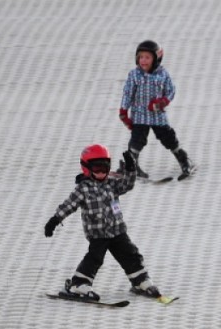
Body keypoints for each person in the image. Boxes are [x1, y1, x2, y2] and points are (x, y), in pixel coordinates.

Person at [44, 144, 163, 301]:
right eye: (97, 169)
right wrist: (55, 220)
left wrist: (130, 168)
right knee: (94, 259)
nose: (101, 173)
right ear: (87, 168)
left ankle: (141, 281)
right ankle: (78, 285)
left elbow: (127, 184)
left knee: (131, 254)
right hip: (98, 233)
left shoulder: (112, 183)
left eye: (105, 168)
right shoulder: (83, 189)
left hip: (117, 230)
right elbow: (69, 205)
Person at [118, 40, 194, 179]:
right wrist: (123, 111)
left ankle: (184, 160)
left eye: (147, 57)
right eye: (140, 57)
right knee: (137, 140)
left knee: (168, 137)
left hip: (157, 115)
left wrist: (162, 102)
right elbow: (128, 93)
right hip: (139, 116)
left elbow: (170, 90)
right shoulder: (134, 75)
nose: (143, 61)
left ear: (156, 58)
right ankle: (130, 166)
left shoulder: (162, 74)